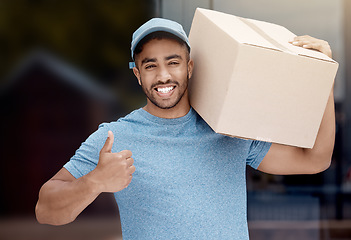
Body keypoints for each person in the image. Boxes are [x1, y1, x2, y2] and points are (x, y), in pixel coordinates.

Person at [35, 17, 335, 239]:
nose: (163, 75)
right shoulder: (115, 137)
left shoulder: (227, 128)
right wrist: (95, 182)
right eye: (150, 65)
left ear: (189, 67)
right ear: (138, 74)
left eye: (173, 62)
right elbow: (45, 210)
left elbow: (315, 159)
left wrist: (325, 77)